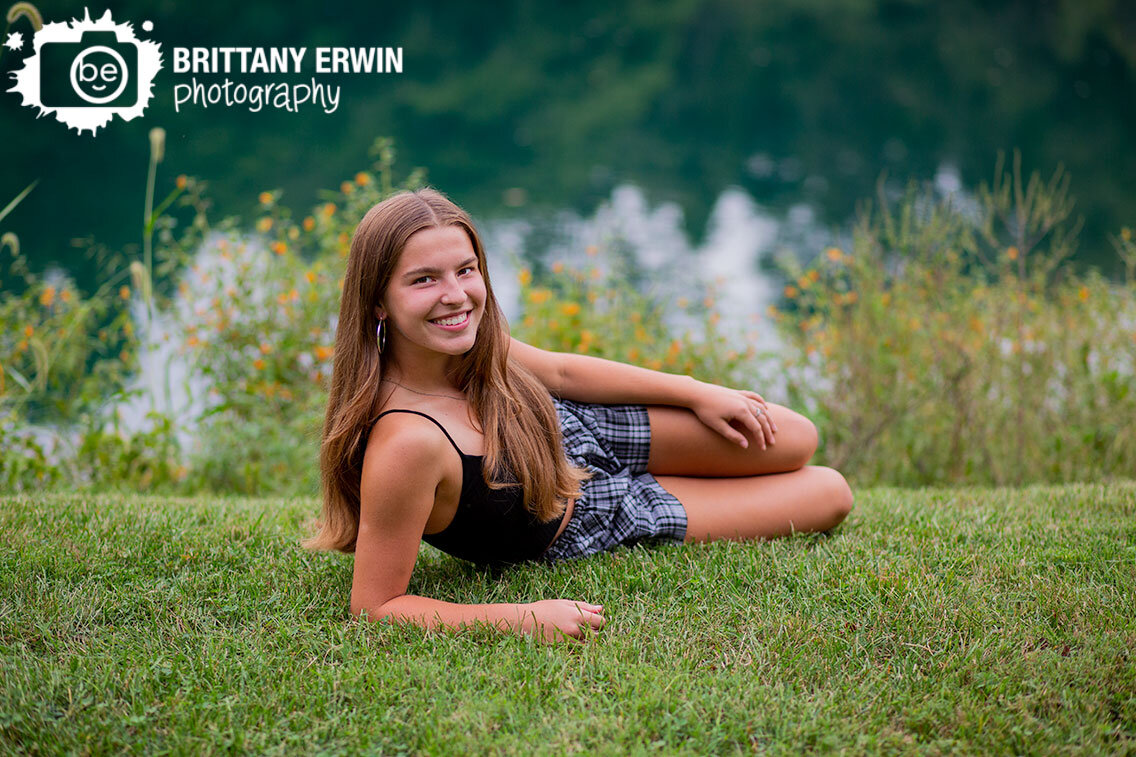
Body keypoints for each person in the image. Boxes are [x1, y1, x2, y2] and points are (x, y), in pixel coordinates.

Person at [302, 188, 853, 644]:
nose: (456, 296)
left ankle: (693, 456)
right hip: (596, 513)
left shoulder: (472, 346)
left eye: (466, 270)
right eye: (424, 279)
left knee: (796, 436)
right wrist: (520, 618)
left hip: (582, 429)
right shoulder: (405, 443)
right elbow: (375, 606)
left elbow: (562, 376)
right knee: (830, 494)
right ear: (378, 301)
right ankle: (677, 486)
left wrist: (697, 392)